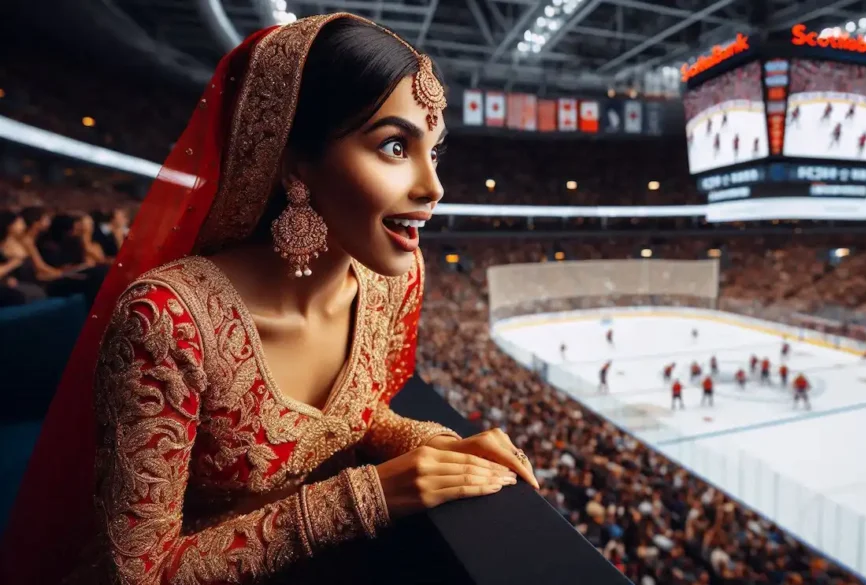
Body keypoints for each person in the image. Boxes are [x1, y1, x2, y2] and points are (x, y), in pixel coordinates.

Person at [1, 14, 539, 585]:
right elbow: (136, 575)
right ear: (294, 161)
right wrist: (368, 497)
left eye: (435, 152)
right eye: (393, 145)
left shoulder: (393, 282)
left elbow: (351, 420)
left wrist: (436, 445)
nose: (433, 187)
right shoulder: (171, 321)